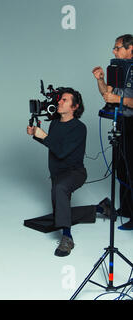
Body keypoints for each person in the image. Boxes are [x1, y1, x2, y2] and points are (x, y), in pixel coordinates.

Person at [27, 88, 109, 257]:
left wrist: (43, 136)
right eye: (60, 99)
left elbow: (62, 152)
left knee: (60, 191)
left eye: (64, 100)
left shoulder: (79, 128)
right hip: (57, 174)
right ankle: (100, 208)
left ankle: (67, 238)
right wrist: (36, 135)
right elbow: (53, 145)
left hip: (75, 173)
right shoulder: (55, 123)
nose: (59, 102)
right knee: (60, 214)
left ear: (74, 106)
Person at [92, 34, 133, 230]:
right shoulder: (118, 68)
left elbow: (118, 99)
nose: (114, 51)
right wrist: (100, 80)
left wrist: (120, 101)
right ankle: (126, 209)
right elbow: (108, 95)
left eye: (117, 48)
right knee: (122, 167)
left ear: (130, 48)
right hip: (123, 121)